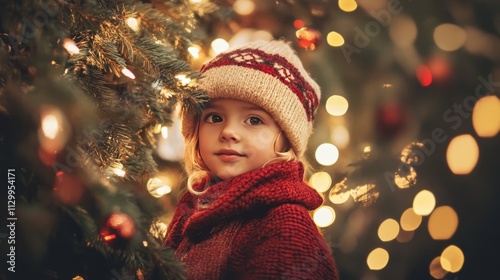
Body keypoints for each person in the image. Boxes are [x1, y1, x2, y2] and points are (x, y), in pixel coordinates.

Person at [164, 40, 339, 279]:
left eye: (254, 120)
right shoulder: (196, 203)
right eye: (214, 117)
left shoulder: (285, 226)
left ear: (286, 141)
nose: (228, 132)